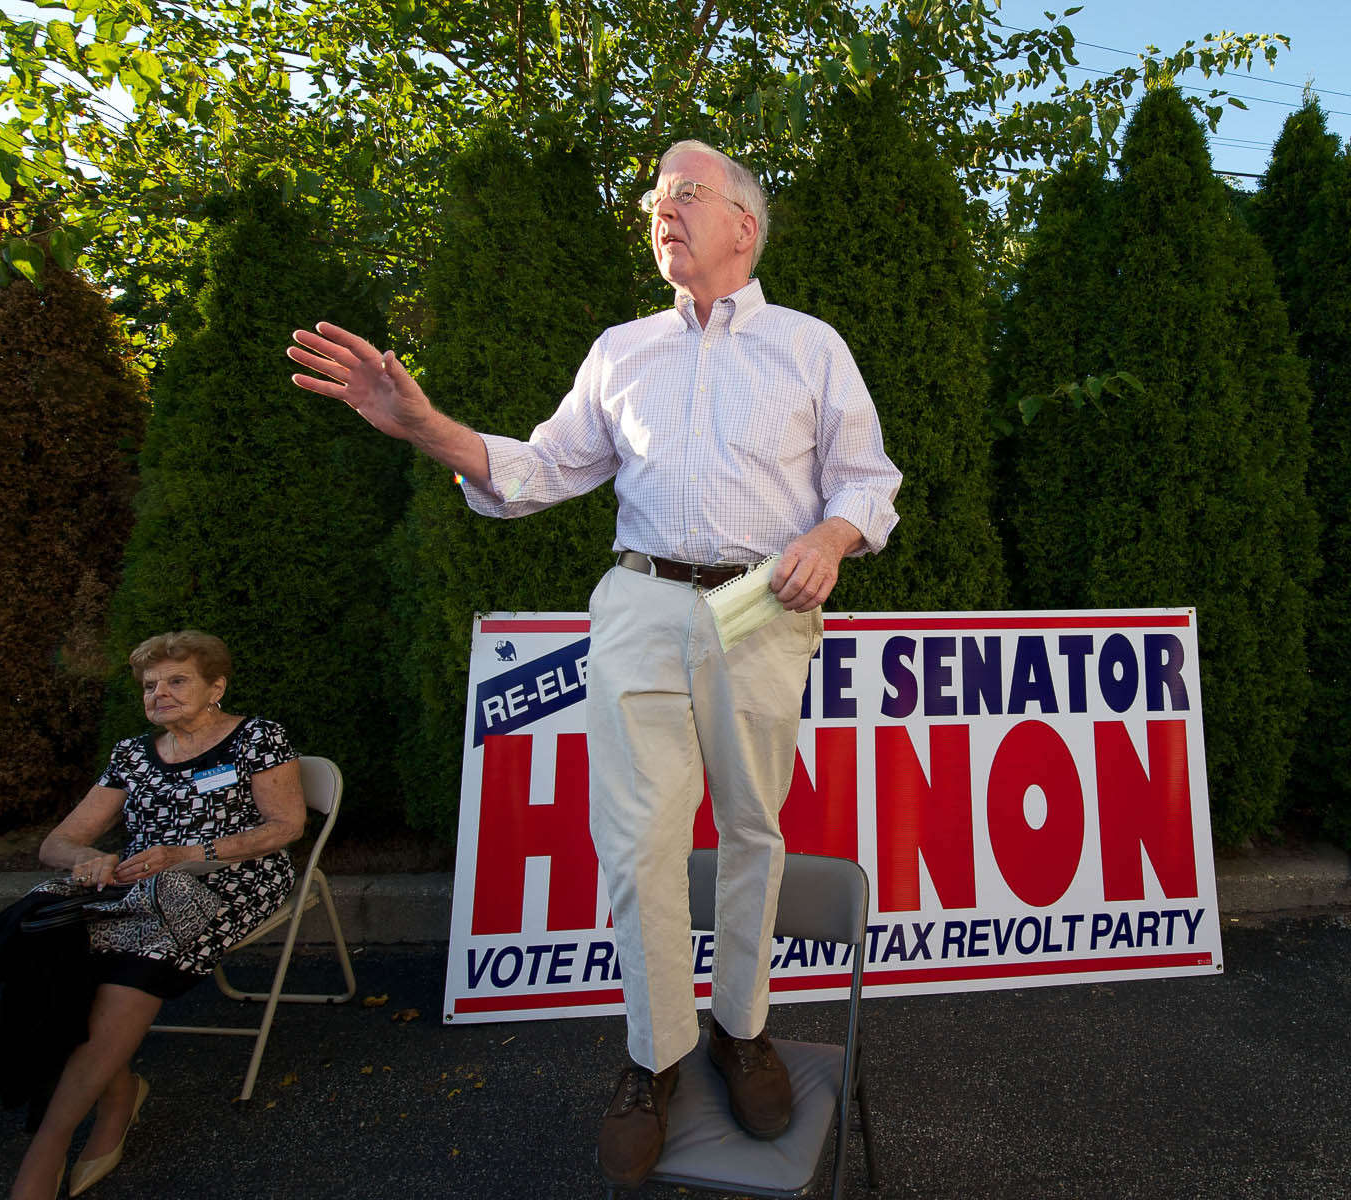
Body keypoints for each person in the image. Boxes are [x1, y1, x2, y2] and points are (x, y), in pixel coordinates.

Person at [288, 140, 901, 1186]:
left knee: (752, 826)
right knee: (638, 844)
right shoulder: (622, 350)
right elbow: (541, 469)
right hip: (639, 605)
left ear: (745, 227)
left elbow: (867, 480)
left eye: (687, 196)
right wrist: (428, 427)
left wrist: (830, 541)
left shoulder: (811, 347)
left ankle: (742, 1030)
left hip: (762, 612)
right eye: (656, 200)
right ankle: (655, 1053)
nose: (664, 211)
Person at [9, 631, 306, 1199]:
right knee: (39, 941)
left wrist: (186, 854)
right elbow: (59, 842)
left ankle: (47, 1143)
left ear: (215, 687)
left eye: (177, 681)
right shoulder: (131, 754)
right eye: (150, 686)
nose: (160, 694)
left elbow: (285, 828)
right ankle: (120, 1093)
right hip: (138, 880)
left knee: (133, 959)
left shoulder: (258, 738)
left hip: (230, 876)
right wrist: (92, 858)